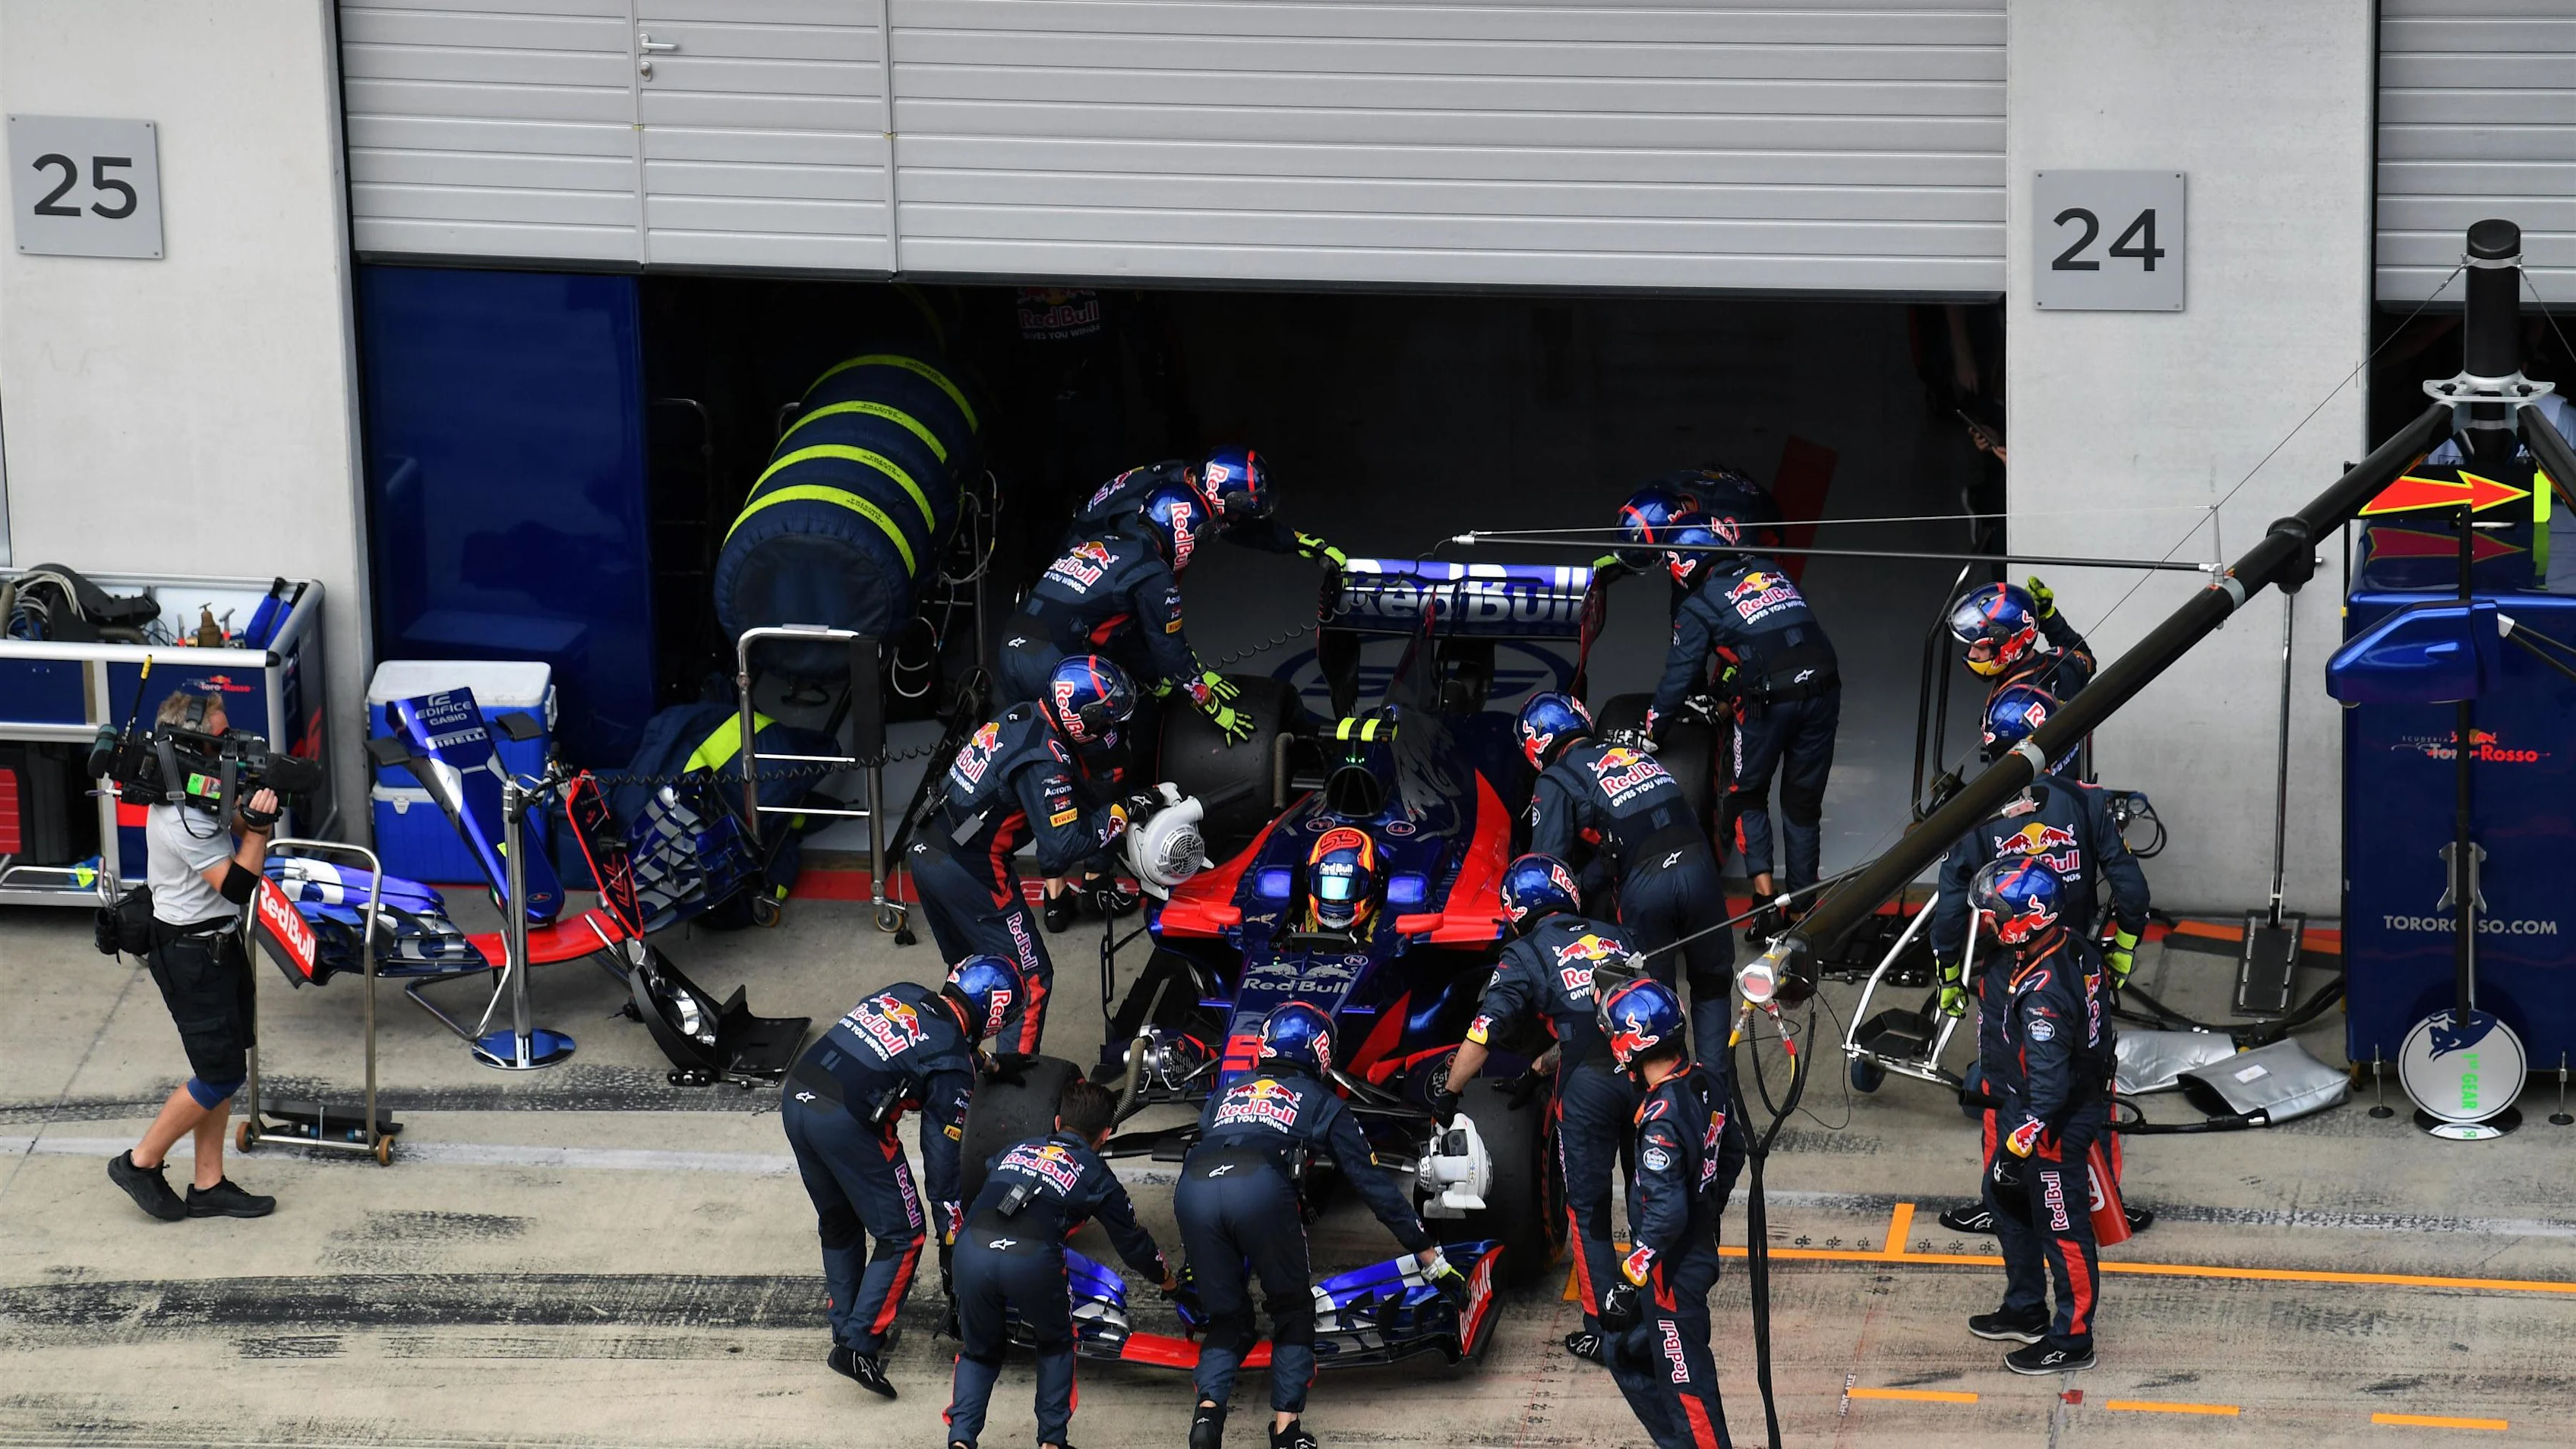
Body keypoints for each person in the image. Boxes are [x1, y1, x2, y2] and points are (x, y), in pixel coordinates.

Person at [1176, 1002, 1470, 1449]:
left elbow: (1204, 1150)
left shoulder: (1225, 1094)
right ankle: (1286, 1430)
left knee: (1228, 1320)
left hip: (1193, 1190)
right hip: (1259, 1190)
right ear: (1321, 1053)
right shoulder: (1321, 1103)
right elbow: (1374, 1186)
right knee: (1293, 1311)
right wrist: (1427, 1255)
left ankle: (1207, 1420)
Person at [1927, 684, 2150, 1238]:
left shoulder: (1975, 814)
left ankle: (1998, 1201)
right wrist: (2119, 953)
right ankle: (2106, 1204)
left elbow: (1952, 912)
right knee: (2093, 1085)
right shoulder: (2089, 801)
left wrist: (1950, 978)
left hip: (2011, 975)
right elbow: (2134, 893)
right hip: (2082, 965)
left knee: (2003, 1091)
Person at [1428, 853, 1641, 1365]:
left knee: (1588, 1213)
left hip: (1587, 1094)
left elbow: (1485, 1031)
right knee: (1649, 1194)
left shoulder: (1524, 955)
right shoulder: (1619, 937)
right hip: (1643, 1076)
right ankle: (1656, 1312)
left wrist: (1451, 1092)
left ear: (1517, 909)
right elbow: (1615, 1023)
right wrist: (1540, 1070)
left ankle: (1602, 1329)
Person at [782, 955, 1022, 1399]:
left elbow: (917, 1040)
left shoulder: (905, 990)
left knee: (839, 1220)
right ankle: (858, 1345)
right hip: (846, 1121)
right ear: (995, 1013)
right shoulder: (953, 1066)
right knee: (905, 1234)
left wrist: (984, 1063)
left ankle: (846, 1326)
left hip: (798, 1095)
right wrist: (952, 1236)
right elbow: (943, 1162)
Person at [909, 655, 1153, 1055]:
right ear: (1079, 718)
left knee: (970, 981)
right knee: (1028, 981)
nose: (1109, 729)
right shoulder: (1046, 759)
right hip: (969, 872)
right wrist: (1123, 812)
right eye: (1104, 720)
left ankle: (953, 1073)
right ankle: (1009, 1106)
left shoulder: (1025, 713)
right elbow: (1062, 845)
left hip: (929, 851)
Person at [106, 689, 281, 1222]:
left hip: (217, 947)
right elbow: (236, 884)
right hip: (192, 956)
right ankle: (140, 1162)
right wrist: (260, 829)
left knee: (224, 1066)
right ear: (193, 745)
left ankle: (209, 1185)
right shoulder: (182, 818)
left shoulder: (200, 794)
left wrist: (245, 813)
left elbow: (231, 825)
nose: (230, 746)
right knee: (219, 1074)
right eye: (221, 738)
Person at [944, 1080, 1178, 1449]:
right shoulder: (1097, 1174)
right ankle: (1051, 1442)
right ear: (1106, 1134)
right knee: (1054, 1344)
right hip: (1032, 1261)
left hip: (972, 1252)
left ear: (1056, 1121)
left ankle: (960, 1440)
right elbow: (1134, 1245)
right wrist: (1169, 1283)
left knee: (980, 1352)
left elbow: (987, 1176)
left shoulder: (1015, 1148)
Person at [1640, 509, 1840, 942]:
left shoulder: (1698, 604)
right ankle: (1804, 911)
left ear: (1683, 562)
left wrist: (1653, 729)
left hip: (1770, 701)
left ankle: (1767, 906)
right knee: (1802, 803)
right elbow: (1771, 637)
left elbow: (1679, 675)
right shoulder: (1771, 570)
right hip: (1824, 685)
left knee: (1746, 795)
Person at [1960, 857, 2114, 1375]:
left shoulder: (2044, 993)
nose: (1983, 921)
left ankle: (2072, 1340)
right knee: (2005, 1204)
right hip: (2020, 1103)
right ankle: (2026, 1307)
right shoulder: (2061, 945)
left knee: (2062, 1227)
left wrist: (2013, 1148)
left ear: (2025, 919)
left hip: (2049, 1123)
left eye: (1992, 913)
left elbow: (2048, 1093)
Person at [1519, 690, 1735, 1055]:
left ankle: (1673, 1099)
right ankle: (1716, 1094)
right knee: (1712, 984)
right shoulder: (1635, 755)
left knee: (1654, 1004)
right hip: (1701, 870)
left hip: (1646, 885)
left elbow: (1547, 872)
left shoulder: (1556, 777)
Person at [1000, 482, 1258, 748]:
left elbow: (1122, 633)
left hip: (1011, 648)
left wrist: (1154, 678)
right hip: (1053, 662)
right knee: (1105, 755)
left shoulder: (1104, 540)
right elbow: (1171, 653)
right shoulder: (1154, 572)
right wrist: (1213, 707)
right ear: (1183, 532)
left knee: (1027, 747)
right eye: (1198, 538)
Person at [1594, 977, 1738, 1449]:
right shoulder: (1709, 1080)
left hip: (1669, 1270)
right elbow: (1732, 1152)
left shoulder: (1660, 1115)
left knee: (1689, 1392)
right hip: (1686, 1253)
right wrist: (1709, 1203)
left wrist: (1627, 1279)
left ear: (1631, 1045)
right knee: (1623, 1351)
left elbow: (1667, 1216)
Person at [1068, 446, 1344, 569]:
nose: (1238, 518)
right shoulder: (1153, 519)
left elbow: (1242, 528)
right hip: (1086, 558)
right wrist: (1187, 674)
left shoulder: (1193, 483)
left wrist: (1299, 543)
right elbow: (1141, 593)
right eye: (1238, 510)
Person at [1947, 579, 2095, 707]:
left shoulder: (2016, 704)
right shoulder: (2060, 664)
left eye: (1979, 647)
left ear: (2009, 645)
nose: (1972, 654)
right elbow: (2085, 657)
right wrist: (2049, 619)